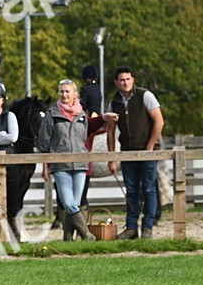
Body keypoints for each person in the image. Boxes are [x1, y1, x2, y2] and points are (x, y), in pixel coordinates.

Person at [106, 65, 164, 239]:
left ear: (133, 80)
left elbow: (159, 122)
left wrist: (150, 147)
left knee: (149, 189)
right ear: (116, 82)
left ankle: (147, 227)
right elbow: (110, 131)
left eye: (128, 79)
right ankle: (131, 227)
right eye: (122, 80)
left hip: (146, 151)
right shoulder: (114, 101)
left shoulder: (145, 96)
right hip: (127, 151)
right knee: (131, 190)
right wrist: (112, 158)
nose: (125, 83)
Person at [37, 79, 95, 241]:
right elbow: (43, 141)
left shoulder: (82, 114)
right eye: (61, 91)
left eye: (67, 91)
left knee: (75, 204)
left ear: (74, 94)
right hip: (60, 164)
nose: (64, 94)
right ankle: (87, 235)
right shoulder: (52, 114)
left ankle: (67, 238)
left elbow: (84, 137)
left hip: (80, 163)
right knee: (69, 203)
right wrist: (48, 162)